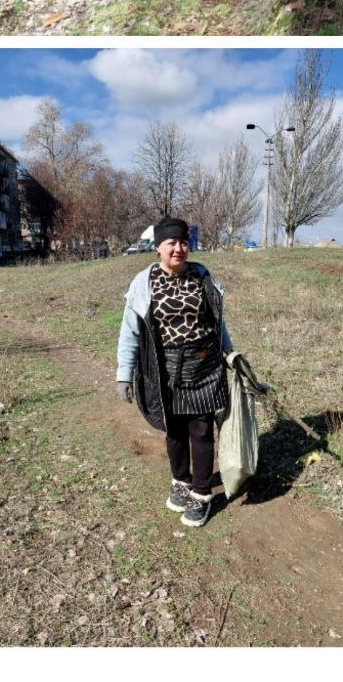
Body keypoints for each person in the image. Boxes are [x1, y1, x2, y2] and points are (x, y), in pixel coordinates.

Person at [116, 218, 233, 528]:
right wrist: (123, 374)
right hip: (164, 369)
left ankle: (202, 493)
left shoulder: (202, 276)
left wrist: (229, 352)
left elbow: (217, 321)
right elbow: (129, 332)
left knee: (202, 431)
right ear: (158, 248)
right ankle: (181, 480)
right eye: (171, 243)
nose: (179, 249)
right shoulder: (144, 282)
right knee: (174, 430)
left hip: (205, 365)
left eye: (183, 242)